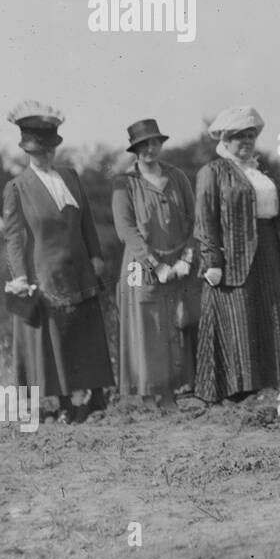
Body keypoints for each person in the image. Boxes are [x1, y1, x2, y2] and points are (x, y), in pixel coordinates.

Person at [2, 101, 114, 422]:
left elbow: (87, 222)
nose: (46, 156)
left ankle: (95, 396)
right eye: (39, 151)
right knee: (58, 338)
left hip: (81, 267)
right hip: (46, 272)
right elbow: (13, 237)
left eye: (50, 149)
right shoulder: (17, 188)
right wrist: (21, 276)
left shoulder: (71, 176)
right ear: (27, 150)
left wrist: (96, 256)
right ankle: (65, 402)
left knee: (87, 331)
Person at [194, 106, 280, 402]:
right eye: (238, 137)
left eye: (250, 136)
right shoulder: (213, 172)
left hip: (269, 250)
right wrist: (212, 261)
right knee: (240, 317)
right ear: (224, 141)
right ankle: (239, 388)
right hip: (234, 255)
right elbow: (205, 220)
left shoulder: (261, 171)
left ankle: (275, 381)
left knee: (271, 314)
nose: (245, 142)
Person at [112, 119, 197, 408]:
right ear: (135, 149)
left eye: (154, 142)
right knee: (147, 326)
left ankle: (177, 391)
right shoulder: (125, 183)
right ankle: (150, 395)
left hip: (179, 263)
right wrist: (155, 267)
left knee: (180, 322)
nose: (150, 149)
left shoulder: (178, 177)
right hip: (141, 266)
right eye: (143, 144)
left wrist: (186, 258)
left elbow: (193, 222)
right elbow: (127, 231)